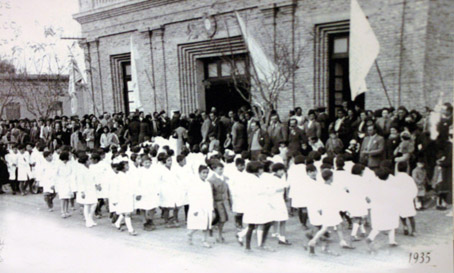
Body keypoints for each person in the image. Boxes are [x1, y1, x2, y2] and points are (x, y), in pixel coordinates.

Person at [307, 169, 353, 256]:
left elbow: (319, 199)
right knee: (326, 228)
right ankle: (314, 242)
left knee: (338, 225)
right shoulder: (331, 188)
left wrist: (319, 209)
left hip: (327, 209)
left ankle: (342, 242)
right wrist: (344, 209)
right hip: (331, 210)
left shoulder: (322, 187)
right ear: (330, 177)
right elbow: (337, 199)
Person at [366, 168, 400, 252]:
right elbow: (396, 196)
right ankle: (391, 240)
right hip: (389, 207)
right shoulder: (391, 186)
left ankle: (371, 237)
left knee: (378, 226)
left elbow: (369, 197)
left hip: (377, 208)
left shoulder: (375, 185)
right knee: (391, 224)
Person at [187, 165, 214, 248]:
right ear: (199, 173)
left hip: (207, 207)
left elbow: (210, 196)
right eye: (203, 173)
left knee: (206, 226)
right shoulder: (194, 184)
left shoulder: (208, 184)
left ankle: (204, 241)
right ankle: (189, 234)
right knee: (197, 225)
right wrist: (195, 209)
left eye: (206, 173)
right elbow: (192, 197)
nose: (205, 175)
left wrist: (212, 209)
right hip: (198, 207)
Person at [112, 158, 140, 236]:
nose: (128, 166)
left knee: (125, 212)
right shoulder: (118, 177)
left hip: (129, 196)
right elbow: (114, 189)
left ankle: (117, 223)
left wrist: (136, 193)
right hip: (122, 197)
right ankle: (131, 230)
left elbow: (132, 185)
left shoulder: (129, 175)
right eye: (126, 165)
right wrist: (114, 199)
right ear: (122, 167)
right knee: (127, 213)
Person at [208, 161, 231, 243]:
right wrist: (212, 206)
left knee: (224, 219)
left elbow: (228, 191)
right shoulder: (211, 180)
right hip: (217, 202)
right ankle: (219, 235)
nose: (221, 171)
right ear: (214, 169)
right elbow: (210, 194)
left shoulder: (225, 178)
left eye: (222, 169)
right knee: (222, 219)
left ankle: (211, 227)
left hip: (224, 202)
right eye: (220, 169)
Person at [76, 154, 99, 228]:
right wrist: (82, 191)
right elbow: (80, 181)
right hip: (85, 188)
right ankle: (87, 220)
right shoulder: (81, 170)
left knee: (94, 203)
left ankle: (90, 218)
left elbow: (94, 177)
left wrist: (97, 184)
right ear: (85, 161)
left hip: (91, 187)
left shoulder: (92, 168)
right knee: (87, 205)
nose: (90, 161)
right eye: (89, 159)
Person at [55, 151, 74, 218]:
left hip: (68, 182)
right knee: (63, 198)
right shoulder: (58, 164)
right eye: (69, 155)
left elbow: (72, 173)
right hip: (61, 182)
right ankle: (62, 211)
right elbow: (55, 174)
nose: (70, 157)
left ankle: (66, 211)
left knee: (67, 197)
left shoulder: (69, 164)